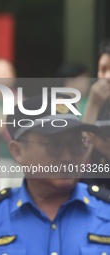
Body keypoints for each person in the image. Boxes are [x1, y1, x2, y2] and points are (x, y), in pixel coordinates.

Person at [0, 94, 110, 255]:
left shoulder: (106, 212)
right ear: (18, 151)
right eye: (54, 145)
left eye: (76, 144)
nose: (67, 157)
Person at [0, 58, 23, 191]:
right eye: (0, 72)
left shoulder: (21, 99)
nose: (4, 76)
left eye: (7, 72)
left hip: (20, 161)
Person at [83, 39, 110, 189]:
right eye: (103, 69)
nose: (107, 76)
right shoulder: (99, 103)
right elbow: (79, 159)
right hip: (97, 194)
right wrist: (92, 106)